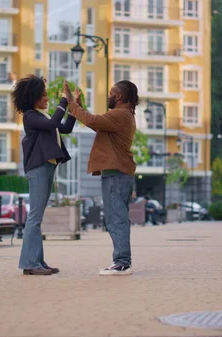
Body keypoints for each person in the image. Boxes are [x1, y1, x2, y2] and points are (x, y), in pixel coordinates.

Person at [63, 79, 138, 276]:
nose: (108, 96)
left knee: (116, 219)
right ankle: (122, 261)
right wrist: (78, 107)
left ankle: (122, 263)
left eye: (111, 92)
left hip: (116, 176)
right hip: (118, 175)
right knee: (116, 218)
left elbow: (93, 121)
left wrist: (71, 103)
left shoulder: (120, 114)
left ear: (119, 96)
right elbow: (96, 122)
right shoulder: (122, 115)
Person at [12, 75, 78, 276]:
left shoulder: (43, 115)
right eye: (43, 95)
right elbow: (53, 125)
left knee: (37, 218)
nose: (47, 98)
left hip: (47, 167)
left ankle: (37, 261)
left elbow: (64, 127)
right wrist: (64, 101)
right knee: (34, 218)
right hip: (38, 168)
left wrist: (74, 107)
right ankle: (30, 263)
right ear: (33, 97)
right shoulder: (31, 116)